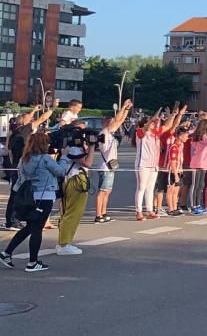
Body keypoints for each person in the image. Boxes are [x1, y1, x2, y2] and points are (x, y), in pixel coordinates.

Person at [1, 132, 72, 272]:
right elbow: (61, 172)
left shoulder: (24, 159)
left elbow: (21, 179)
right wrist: (63, 157)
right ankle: (33, 262)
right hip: (44, 196)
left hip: (29, 196)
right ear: (43, 144)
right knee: (37, 229)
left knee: (29, 227)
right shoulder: (45, 158)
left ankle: (7, 253)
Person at [3, 104, 56, 231]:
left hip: (16, 167)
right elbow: (42, 119)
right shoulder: (24, 131)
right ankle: (13, 221)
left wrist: (33, 111)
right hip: (22, 168)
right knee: (20, 195)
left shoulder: (15, 133)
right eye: (30, 119)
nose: (33, 121)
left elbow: (7, 152)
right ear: (25, 123)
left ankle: (11, 220)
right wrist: (53, 107)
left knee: (16, 194)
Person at [56, 120, 94, 256]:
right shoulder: (73, 147)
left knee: (70, 212)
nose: (83, 133)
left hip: (74, 179)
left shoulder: (76, 145)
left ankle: (63, 241)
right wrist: (92, 147)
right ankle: (64, 244)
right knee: (72, 213)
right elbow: (88, 163)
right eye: (80, 130)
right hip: (75, 180)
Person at [93, 100, 133, 224]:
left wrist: (126, 110)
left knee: (107, 191)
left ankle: (103, 212)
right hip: (105, 166)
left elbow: (120, 121)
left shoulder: (110, 133)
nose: (113, 124)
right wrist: (123, 107)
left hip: (110, 166)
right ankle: (98, 214)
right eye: (110, 122)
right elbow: (117, 120)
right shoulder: (104, 132)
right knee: (103, 191)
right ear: (105, 123)